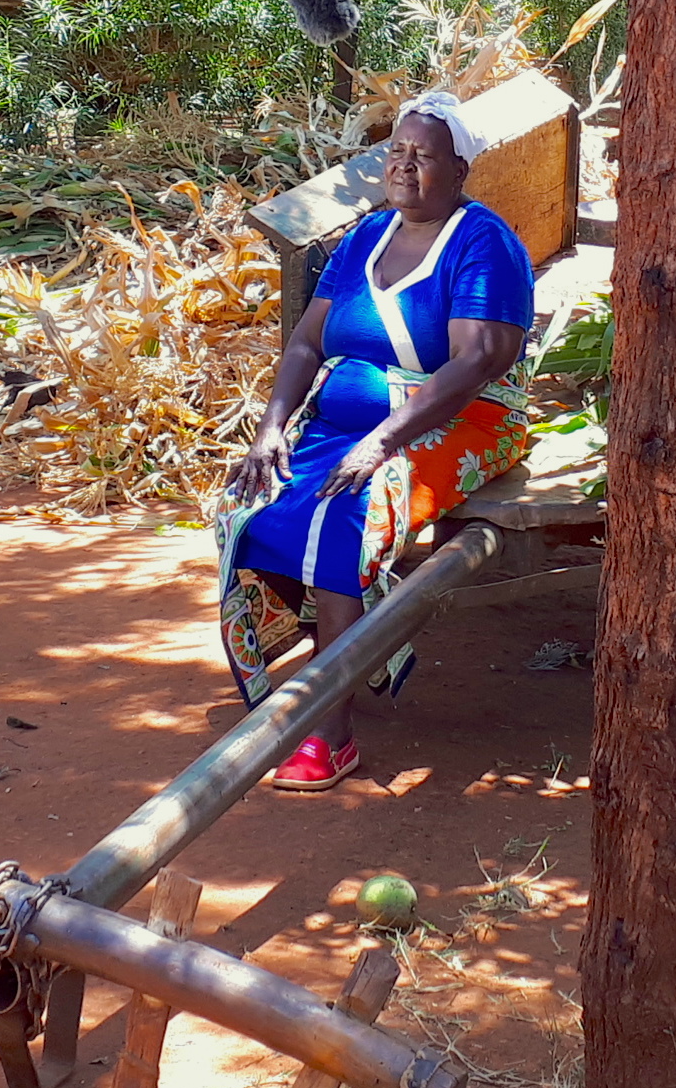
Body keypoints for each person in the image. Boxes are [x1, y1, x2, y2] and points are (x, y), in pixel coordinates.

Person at [214, 94, 535, 789]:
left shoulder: (482, 241)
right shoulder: (366, 237)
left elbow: (476, 361)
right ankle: (318, 664)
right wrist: (269, 432)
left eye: (423, 156)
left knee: (345, 518)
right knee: (250, 505)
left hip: (460, 418)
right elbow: (305, 343)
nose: (404, 166)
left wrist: (383, 443)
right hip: (347, 422)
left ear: (459, 169)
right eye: (397, 152)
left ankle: (330, 734)